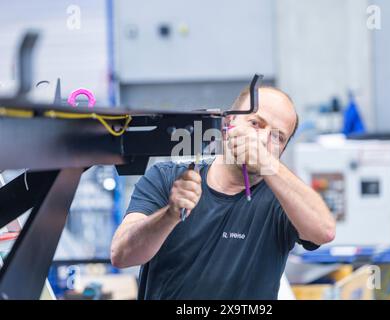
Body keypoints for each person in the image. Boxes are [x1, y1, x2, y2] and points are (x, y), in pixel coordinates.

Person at [110, 86, 336, 299]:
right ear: (228, 124)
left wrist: (268, 164)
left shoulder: (282, 200)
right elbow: (121, 255)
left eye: (277, 137)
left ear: (283, 150)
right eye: (256, 124)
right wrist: (169, 215)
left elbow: (323, 231)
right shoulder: (168, 178)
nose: (262, 139)